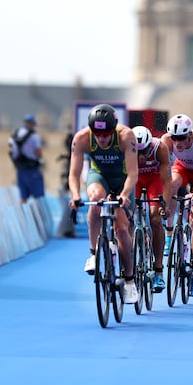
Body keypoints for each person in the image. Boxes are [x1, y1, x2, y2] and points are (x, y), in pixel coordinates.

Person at [68, 103, 139, 304]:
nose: (102, 138)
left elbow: (133, 173)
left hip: (123, 179)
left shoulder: (126, 136)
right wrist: (74, 195)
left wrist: (125, 194)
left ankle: (130, 281)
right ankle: (93, 253)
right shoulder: (81, 138)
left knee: (122, 229)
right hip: (98, 176)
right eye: (97, 134)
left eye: (107, 134)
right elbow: (73, 174)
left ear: (114, 129)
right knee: (96, 200)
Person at [161, 113, 193, 297]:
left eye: (181, 138)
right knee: (172, 184)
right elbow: (165, 173)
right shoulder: (166, 141)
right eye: (174, 138)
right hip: (182, 169)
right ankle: (168, 233)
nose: (178, 142)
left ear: (190, 134)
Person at [132, 125, 172, 293]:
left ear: (150, 146)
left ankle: (158, 270)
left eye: (145, 151)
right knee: (125, 215)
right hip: (134, 179)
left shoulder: (160, 148)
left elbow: (167, 181)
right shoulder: (126, 147)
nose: (141, 157)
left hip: (154, 180)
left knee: (155, 218)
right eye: (138, 153)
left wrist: (166, 204)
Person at [8, 114, 45, 204]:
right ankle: (40, 216)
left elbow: (10, 148)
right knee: (39, 198)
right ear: (32, 124)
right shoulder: (34, 136)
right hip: (32, 170)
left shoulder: (15, 134)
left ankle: (22, 216)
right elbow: (38, 152)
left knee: (23, 197)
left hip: (20, 169)